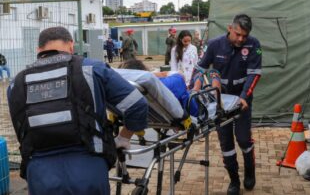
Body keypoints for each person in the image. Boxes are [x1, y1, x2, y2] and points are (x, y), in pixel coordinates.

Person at [7, 26, 148, 195]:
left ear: (39, 50)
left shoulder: (16, 84)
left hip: (40, 174)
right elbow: (137, 105)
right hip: (88, 168)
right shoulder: (92, 69)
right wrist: (124, 137)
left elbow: (21, 129)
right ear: (71, 45)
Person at [193, 14, 262, 195]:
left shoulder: (254, 44)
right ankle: (234, 180)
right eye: (237, 34)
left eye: (244, 36)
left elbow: (254, 74)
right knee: (226, 143)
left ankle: (249, 170)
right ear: (230, 28)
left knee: (243, 139)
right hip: (221, 101)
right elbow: (200, 69)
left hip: (241, 100)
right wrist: (196, 83)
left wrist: (245, 96)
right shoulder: (215, 44)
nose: (240, 39)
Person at [118, 59, 199, 117]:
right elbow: (180, 77)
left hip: (150, 116)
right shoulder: (155, 85)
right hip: (190, 112)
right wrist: (159, 74)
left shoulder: (127, 87)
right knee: (198, 76)